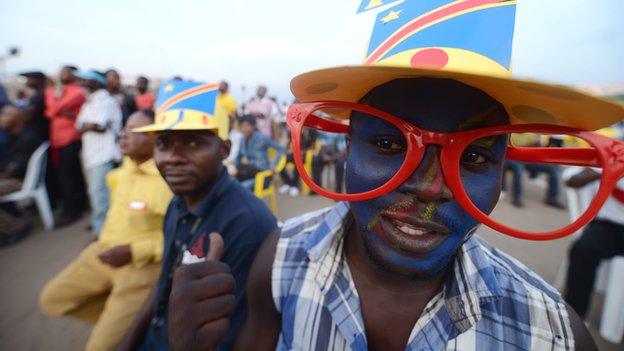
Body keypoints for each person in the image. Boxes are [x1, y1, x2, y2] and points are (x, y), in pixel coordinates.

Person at [165, 1, 624, 349]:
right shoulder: (280, 258)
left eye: (474, 158)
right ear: (347, 148)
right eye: (388, 144)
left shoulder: (551, 335)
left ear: (503, 169)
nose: (429, 186)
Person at [117, 80, 277, 351]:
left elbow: (234, 334)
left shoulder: (247, 223)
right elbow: (163, 284)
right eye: (165, 143)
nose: (175, 157)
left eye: (194, 142)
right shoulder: (178, 203)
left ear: (224, 150)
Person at [40, 110, 172, 350]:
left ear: (157, 139)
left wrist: (135, 250)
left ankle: (128, 330)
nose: (123, 135)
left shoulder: (168, 182)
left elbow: (178, 238)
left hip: (139, 268)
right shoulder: (119, 174)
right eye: (124, 128)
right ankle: (136, 328)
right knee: (52, 299)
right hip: (102, 253)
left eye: (133, 130)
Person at [563, 170, 624, 320]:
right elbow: (572, 180)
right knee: (583, 250)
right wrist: (610, 170)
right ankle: (575, 317)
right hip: (610, 225)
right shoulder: (616, 154)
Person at [75, 70, 122, 235]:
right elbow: (79, 127)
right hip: (91, 154)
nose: (81, 83)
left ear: (96, 82)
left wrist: (88, 126)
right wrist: (89, 125)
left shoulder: (106, 101)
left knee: (100, 194)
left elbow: (99, 126)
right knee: (96, 193)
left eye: (85, 80)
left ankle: (102, 234)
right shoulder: (89, 102)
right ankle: (101, 228)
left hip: (104, 155)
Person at [44, 65, 88, 226]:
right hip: (58, 139)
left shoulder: (77, 92)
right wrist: (60, 111)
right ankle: (79, 204)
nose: (61, 74)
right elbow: (49, 112)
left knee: (67, 176)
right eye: (60, 71)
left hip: (70, 138)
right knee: (71, 174)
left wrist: (56, 106)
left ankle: (72, 212)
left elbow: (53, 109)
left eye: (66, 72)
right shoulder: (57, 92)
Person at [0, 104, 45, 244]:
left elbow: (17, 168)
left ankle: (16, 227)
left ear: (16, 118)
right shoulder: (14, 137)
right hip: (13, 179)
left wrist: (5, 173)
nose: (1, 119)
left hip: (19, 181)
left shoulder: (27, 138)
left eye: (4, 115)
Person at [234, 114, 284, 191]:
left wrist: (273, 165)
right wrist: (233, 166)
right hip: (248, 173)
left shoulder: (262, 138)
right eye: (242, 126)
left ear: (253, 126)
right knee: (229, 184)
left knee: (239, 189)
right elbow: (238, 157)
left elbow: (281, 148)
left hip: (262, 176)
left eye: (247, 126)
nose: (244, 129)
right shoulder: (242, 140)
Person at [19, 71, 49, 139]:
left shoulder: (41, 95)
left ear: (38, 80)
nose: (27, 81)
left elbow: (29, 114)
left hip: (37, 131)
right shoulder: (38, 94)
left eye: (29, 79)